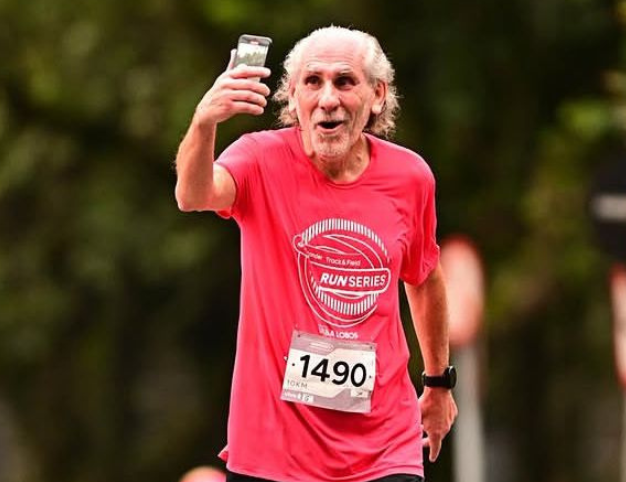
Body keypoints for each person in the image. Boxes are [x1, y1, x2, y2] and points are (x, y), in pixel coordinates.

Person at [174, 26, 457, 482]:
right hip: (274, 450)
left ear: (377, 95)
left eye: (345, 82)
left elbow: (423, 277)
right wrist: (205, 121)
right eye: (313, 82)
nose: (328, 98)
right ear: (292, 97)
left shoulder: (410, 177)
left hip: (384, 447)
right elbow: (193, 194)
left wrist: (439, 383)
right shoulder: (258, 160)